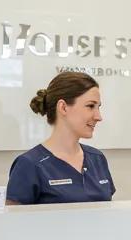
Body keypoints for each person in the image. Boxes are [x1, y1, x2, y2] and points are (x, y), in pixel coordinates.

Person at [6, 72, 116, 204]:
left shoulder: (97, 159)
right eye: (90, 106)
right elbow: (14, 222)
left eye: (98, 107)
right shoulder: (29, 165)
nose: (98, 117)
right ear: (63, 107)